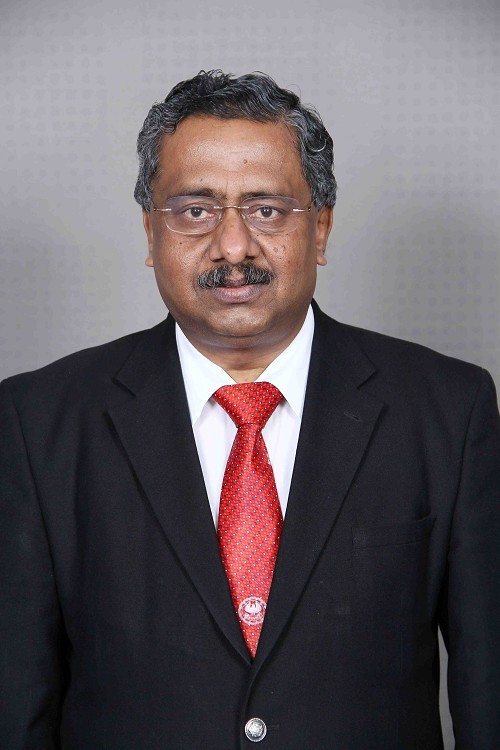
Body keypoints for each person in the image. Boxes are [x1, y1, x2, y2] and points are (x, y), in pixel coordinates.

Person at [0, 70, 499, 750]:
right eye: (195, 210)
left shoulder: (448, 411)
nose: (233, 247)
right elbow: (17, 704)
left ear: (320, 228)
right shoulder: (38, 422)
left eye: (266, 210)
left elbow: (488, 688)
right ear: (150, 231)